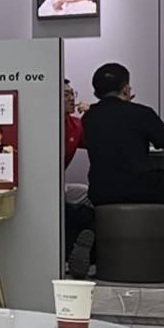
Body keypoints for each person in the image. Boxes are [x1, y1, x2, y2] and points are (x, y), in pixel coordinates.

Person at [82, 63, 164, 278]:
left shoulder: (89, 117)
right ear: (126, 88)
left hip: (100, 191)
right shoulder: (141, 113)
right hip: (139, 187)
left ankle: (94, 249)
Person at [61, 79, 95, 278]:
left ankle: (81, 252)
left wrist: (95, 113)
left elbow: (99, 139)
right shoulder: (42, 122)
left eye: (72, 93)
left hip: (59, 185)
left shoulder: (75, 124)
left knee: (92, 196)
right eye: (65, 94)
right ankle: (67, 255)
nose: (71, 98)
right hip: (42, 186)